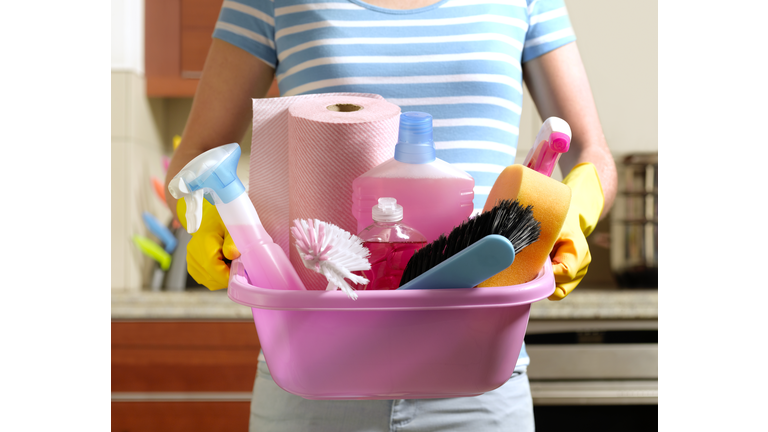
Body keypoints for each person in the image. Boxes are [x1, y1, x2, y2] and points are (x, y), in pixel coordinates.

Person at [165, 0, 617, 430]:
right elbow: (198, 149)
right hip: (312, 374)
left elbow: (590, 150)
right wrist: (212, 217)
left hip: (478, 377)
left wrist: (575, 212)